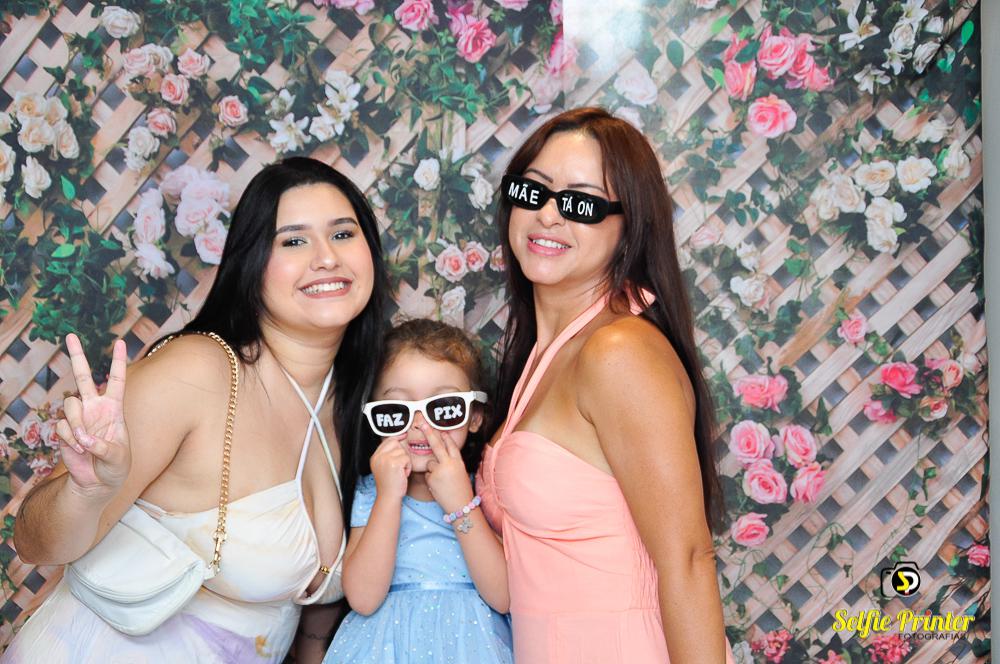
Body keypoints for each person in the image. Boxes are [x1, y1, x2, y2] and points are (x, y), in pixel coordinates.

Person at [4, 157, 389, 663]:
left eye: (342, 234)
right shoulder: (199, 370)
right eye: (293, 241)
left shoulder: (354, 402)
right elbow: (35, 545)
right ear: (252, 263)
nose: (326, 258)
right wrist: (86, 492)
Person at [476, 107, 737, 663]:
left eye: (582, 203)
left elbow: (688, 559)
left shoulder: (617, 351)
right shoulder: (543, 353)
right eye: (533, 191)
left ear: (629, 227)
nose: (549, 215)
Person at [326, 319, 513, 664]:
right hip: (385, 648)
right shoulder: (372, 492)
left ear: (475, 417)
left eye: (443, 408)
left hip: (472, 646)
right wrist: (388, 497)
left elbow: (503, 596)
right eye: (396, 411)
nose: (419, 426)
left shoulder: (485, 486)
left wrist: (460, 502)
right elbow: (364, 598)